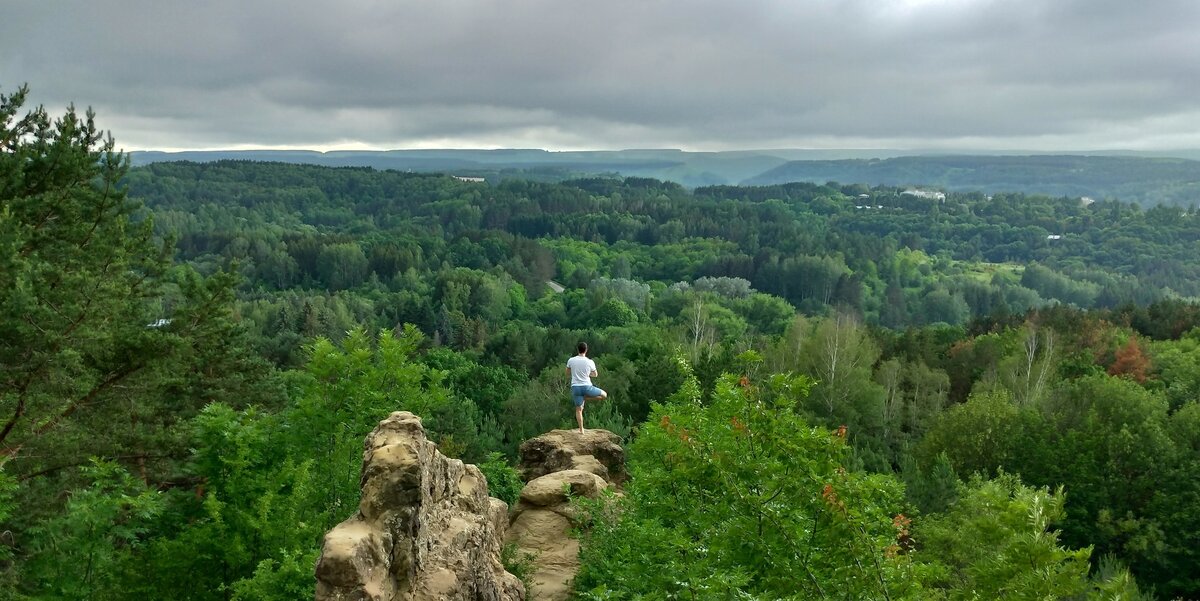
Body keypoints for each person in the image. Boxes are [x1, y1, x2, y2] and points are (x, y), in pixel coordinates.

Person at [566, 342, 607, 433]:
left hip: (575, 387)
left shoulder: (571, 360)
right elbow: (595, 374)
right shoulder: (590, 362)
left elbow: (567, 373)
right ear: (586, 350)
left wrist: (575, 373)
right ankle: (586, 397)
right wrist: (587, 374)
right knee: (604, 395)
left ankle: (581, 430)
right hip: (587, 387)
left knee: (579, 409)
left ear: (578, 349)